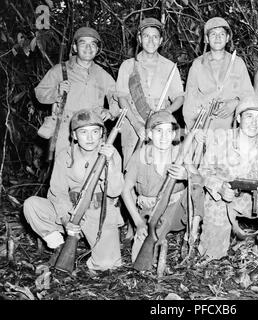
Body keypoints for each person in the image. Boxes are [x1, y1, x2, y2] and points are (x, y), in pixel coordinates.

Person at [23, 109, 124, 271]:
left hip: (99, 212)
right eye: (84, 132)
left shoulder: (111, 153)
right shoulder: (65, 155)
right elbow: (58, 192)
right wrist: (66, 220)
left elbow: (114, 191)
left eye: (95, 132)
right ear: (75, 136)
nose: (90, 138)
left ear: (101, 134)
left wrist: (110, 164)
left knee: (107, 265)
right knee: (31, 205)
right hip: (72, 210)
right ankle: (60, 246)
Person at [197, 95, 258, 261]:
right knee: (211, 256)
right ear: (238, 118)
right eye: (249, 116)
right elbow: (204, 170)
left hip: (252, 201)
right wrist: (219, 187)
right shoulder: (221, 139)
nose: (254, 122)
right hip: (222, 201)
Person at [121, 110, 203, 264]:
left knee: (196, 186)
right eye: (159, 131)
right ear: (150, 134)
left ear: (174, 135)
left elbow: (199, 179)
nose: (164, 136)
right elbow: (125, 190)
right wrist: (138, 222)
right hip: (151, 210)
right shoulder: (139, 155)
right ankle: (155, 237)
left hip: (177, 209)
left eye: (168, 131)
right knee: (140, 260)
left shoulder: (179, 153)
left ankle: (193, 230)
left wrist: (187, 175)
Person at [35, 27, 120, 154]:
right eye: (83, 43)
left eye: (92, 44)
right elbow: (39, 93)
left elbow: (118, 97)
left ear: (97, 49)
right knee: (64, 169)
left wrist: (111, 112)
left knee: (93, 170)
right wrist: (57, 92)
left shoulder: (102, 75)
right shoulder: (60, 70)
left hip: (93, 131)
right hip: (66, 130)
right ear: (75, 47)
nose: (88, 48)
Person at [116, 17, 184, 168]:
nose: (151, 41)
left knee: (159, 169)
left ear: (160, 41)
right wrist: (136, 125)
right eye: (146, 36)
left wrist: (166, 111)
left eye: (155, 37)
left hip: (162, 128)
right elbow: (122, 98)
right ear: (139, 39)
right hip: (134, 125)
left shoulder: (170, 67)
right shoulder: (128, 66)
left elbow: (179, 97)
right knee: (131, 170)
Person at [183, 17, 254, 131]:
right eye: (213, 34)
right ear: (206, 39)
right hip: (204, 126)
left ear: (227, 38)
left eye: (221, 34)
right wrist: (193, 131)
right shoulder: (198, 64)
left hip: (231, 127)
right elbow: (189, 102)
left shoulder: (237, 63)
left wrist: (235, 103)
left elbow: (249, 95)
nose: (217, 38)